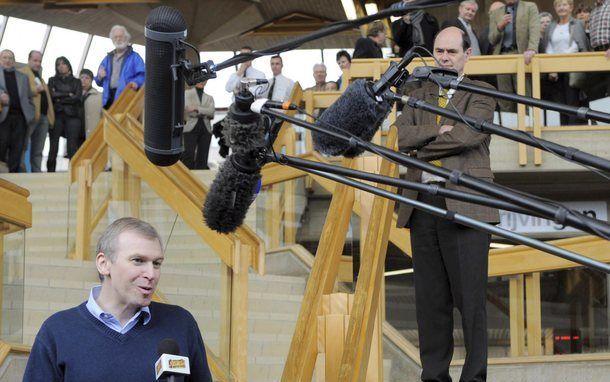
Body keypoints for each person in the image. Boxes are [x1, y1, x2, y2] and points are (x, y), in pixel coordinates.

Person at [395, 27, 499, 382]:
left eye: (452, 51)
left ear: (467, 55)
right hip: (421, 206)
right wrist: (435, 134)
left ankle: (474, 378)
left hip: (466, 206)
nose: (443, 57)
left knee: (470, 303)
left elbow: (468, 133)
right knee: (430, 304)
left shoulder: (482, 92)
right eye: (439, 51)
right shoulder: (416, 92)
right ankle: (434, 377)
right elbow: (400, 137)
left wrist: (422, 144)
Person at [23, 217, 213, 382]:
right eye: (138, 260)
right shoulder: (57, 331)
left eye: (157, 263)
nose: (151, 273)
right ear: (104, 264)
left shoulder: (181, 323)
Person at [543, 0, 590, 125]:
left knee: (573, 101)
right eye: (559, 5)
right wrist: (553, 66)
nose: (561, 8)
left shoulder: (578, 23)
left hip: (572, 68)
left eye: (564, 5)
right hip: (555, 71)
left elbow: (578, 45)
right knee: (560, 103)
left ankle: (574, 131)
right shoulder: (551, 26)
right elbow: (548, 47)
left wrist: (562, 60)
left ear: (570, 7)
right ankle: (563, 130)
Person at [489, 0, 540, 111]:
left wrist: (532, 49)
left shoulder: (530, 7)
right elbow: (491, 39)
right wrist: (500, 26)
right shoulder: (496, 12)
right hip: (502, 57)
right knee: (504, 98)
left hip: (522, 55)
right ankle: (507, 127)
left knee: (524, 96)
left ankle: (528, 127)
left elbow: (535, 29)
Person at [18, 50, 55, 172]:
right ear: (28, 60)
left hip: (43, 117)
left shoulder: (40, 77)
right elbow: (20, 92)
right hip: (30, 116)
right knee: (23, 146)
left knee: (38, 149)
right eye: (35, 60)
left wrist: (51, 117)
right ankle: (21, 171)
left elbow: (47, 99)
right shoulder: (22, 73)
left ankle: (36, 172)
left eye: (39, 61)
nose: (38, 63)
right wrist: (35, 89)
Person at [0, 49, 35, 173]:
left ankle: (13, 178)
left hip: (21, 117)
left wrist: (30, 114)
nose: (8, 60)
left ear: (14, 61)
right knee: (2, 146)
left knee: (17, 148)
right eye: (4, 57)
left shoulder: (23, 77)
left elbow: (30, 97)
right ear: (0, 60)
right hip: (3, 117)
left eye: (10, 58)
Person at [95, 25, 145, 109]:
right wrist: (99, 77)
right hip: (108, 99)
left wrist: (136, 82)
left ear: (126, 38)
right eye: (115, 37)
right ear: (112, 39)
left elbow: (143, 75)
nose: (118, 39)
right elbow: (98, 82)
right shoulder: (107, 59)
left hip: (126, 98)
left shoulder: (135, 57)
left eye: (121, 36)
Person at [47, 57, 83, 172]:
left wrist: (59, 97)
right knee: (53, 146)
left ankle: (74, 173)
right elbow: (51, 96)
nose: (61, 66)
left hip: (72, 115)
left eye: (63, 64)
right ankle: (50, 172)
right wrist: (68, 94)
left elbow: (77, 98)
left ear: (68, 65)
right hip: (57, 114)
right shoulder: (52, 80)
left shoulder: (76, 81)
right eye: (58, 64)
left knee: (72, 146)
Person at [182, 80, 214, 170]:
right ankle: (187, 177)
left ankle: (201, 179)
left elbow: (211, 113)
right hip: (190, 126)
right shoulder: (187, 93)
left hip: (206, 128)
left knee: (203, 155)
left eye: (204, 79)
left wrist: (196, 108)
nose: (202, 81)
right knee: (188, 154)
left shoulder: (209, 98)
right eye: (199, 79)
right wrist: (205, 111)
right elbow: (187, 109)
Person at [80, 69, 103, 138]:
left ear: (91, 80)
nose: (84, 80)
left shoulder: (99, 96)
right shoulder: (74, 95)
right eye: (82, 77)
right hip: (76, 131)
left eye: (87, 78)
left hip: (92, 132)